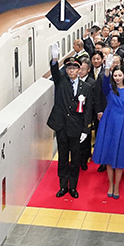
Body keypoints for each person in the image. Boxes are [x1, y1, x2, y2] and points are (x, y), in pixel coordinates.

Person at [47, 57, 92, 198]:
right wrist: (54, 60)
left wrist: (86, 129)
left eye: (74, 68)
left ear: (79, 70)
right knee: (63, 157)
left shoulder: (86, 88)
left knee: (75, 158)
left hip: (76, 127)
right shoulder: (61, 82)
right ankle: (62, 186)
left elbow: (88, 110)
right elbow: (54, 71)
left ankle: (73, 186)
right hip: (62, 126)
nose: (71, 70)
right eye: (68, 68)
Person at [92, 63, 124, 199]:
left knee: (120, 155)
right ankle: (110, 184)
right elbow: (104, 82)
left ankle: (117, 186)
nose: (117, 78)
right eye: (115, 75)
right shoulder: (109, 89)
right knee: (109, 156)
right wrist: (107, 69)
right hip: (109, 123)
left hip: (123, 124)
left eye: (119, 75)